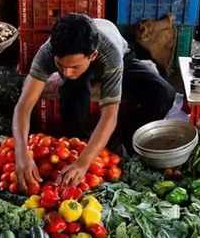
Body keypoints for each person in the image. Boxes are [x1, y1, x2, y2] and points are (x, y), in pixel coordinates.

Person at [12, 13, 176, 192]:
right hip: (85, 71)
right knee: (72, 94)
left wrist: (83, 164)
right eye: (60, 65)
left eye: (73, 66)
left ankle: (126, 139)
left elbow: (109, 114)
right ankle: (77, 144)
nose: (66, 73)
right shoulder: (48, 52)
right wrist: (21, 153)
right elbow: (24, 106)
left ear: (92, 55)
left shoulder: (110, 54)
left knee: (163, 93)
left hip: (122, 59)